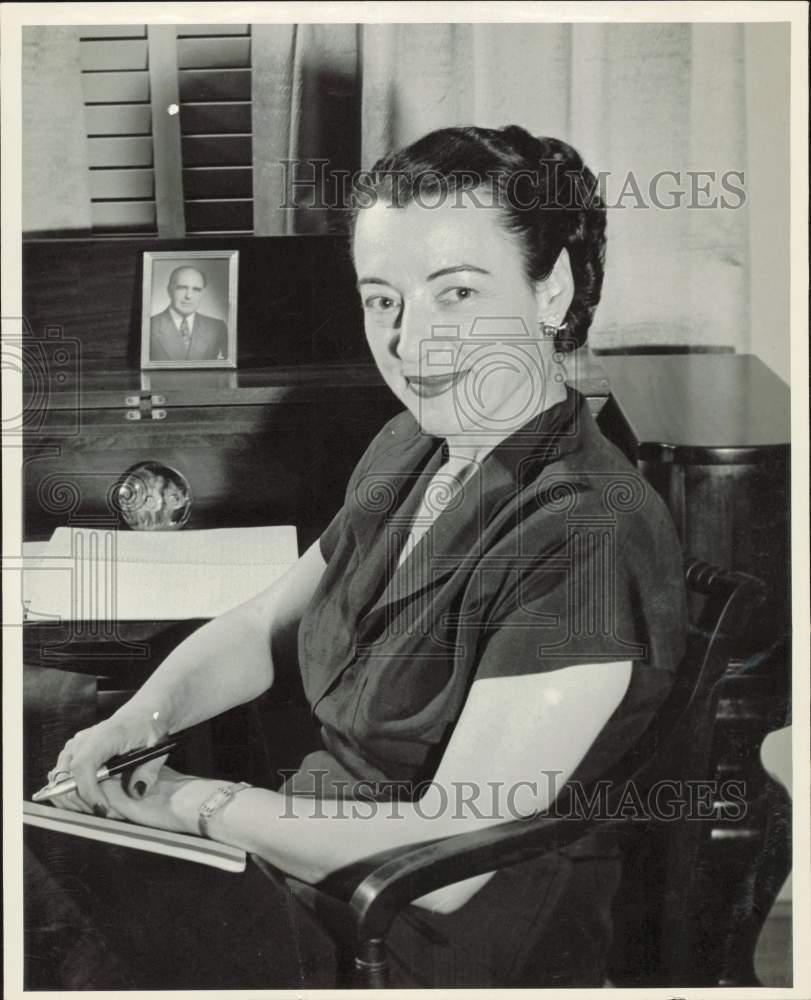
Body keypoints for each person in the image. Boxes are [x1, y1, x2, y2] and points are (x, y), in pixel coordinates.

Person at [28, 125, 687, 989]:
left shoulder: (590, 534)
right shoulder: (412, 446)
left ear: (551, 289)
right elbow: (264, 625)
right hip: (299, 860)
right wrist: (135, 726)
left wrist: (191, 806)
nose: (410, 340)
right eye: (383, 299)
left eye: (454, 292)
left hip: (418, 934)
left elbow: (452, 847)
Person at [149, 265, 228, 362]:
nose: (189, 296)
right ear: (169, 290)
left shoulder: (217, 327)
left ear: (202, 294)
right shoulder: (148, 327)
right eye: (182, 288)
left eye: (196, 289)